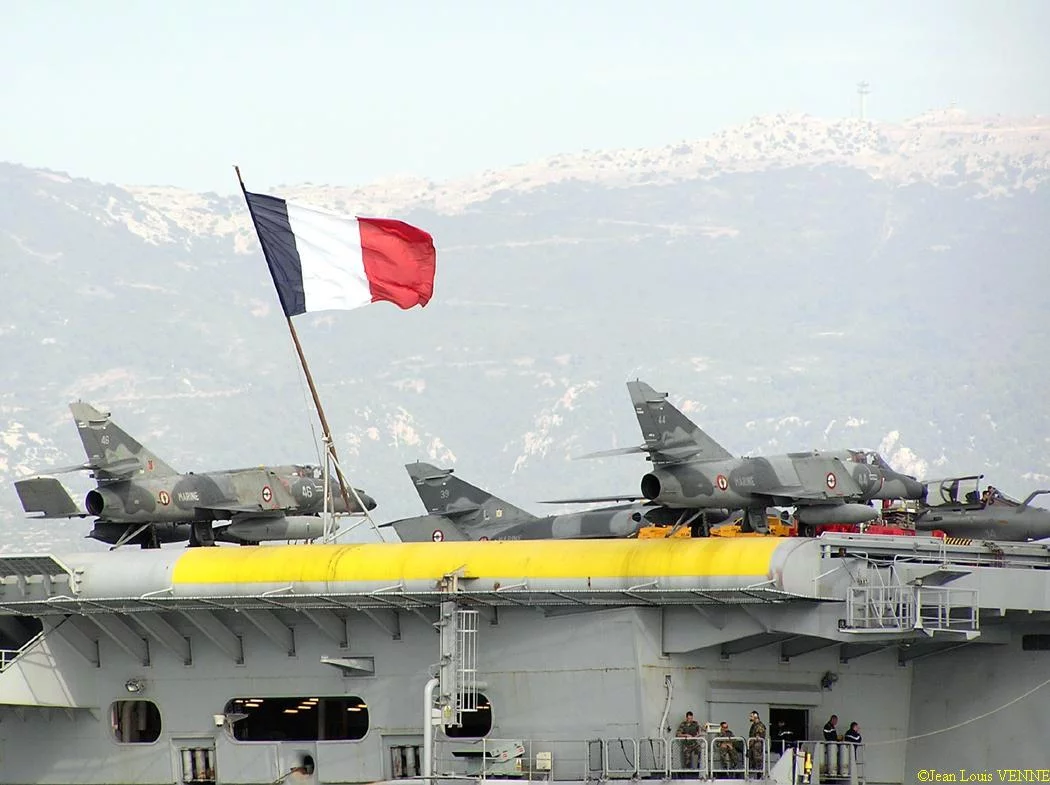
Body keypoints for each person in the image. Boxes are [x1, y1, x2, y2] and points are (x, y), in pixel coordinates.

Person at [747, 710, 766, 778]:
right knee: (753, 762)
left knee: (758, 761)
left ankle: (759, 776)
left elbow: (758, 736)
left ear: (755, 716)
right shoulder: (753, 725)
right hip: (753, 746)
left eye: (751, 716)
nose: (750, 717)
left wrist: (753, 741)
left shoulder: (760, 725)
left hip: (757, 747)